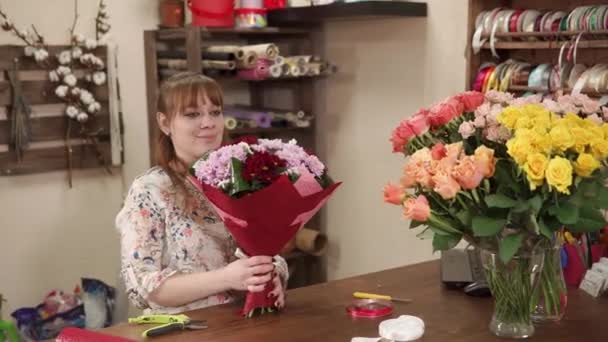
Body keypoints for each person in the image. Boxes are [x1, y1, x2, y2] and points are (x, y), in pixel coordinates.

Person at [115, 72, 287, 314]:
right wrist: (226, 278)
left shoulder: (241, 179)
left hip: (245, 323)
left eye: (215, 112)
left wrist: (273, 274)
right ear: (165, 123)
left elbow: (268, 252)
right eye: (192, 114)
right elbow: (145, 287)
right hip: (182, 331)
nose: (208, 123)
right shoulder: (150, 190)